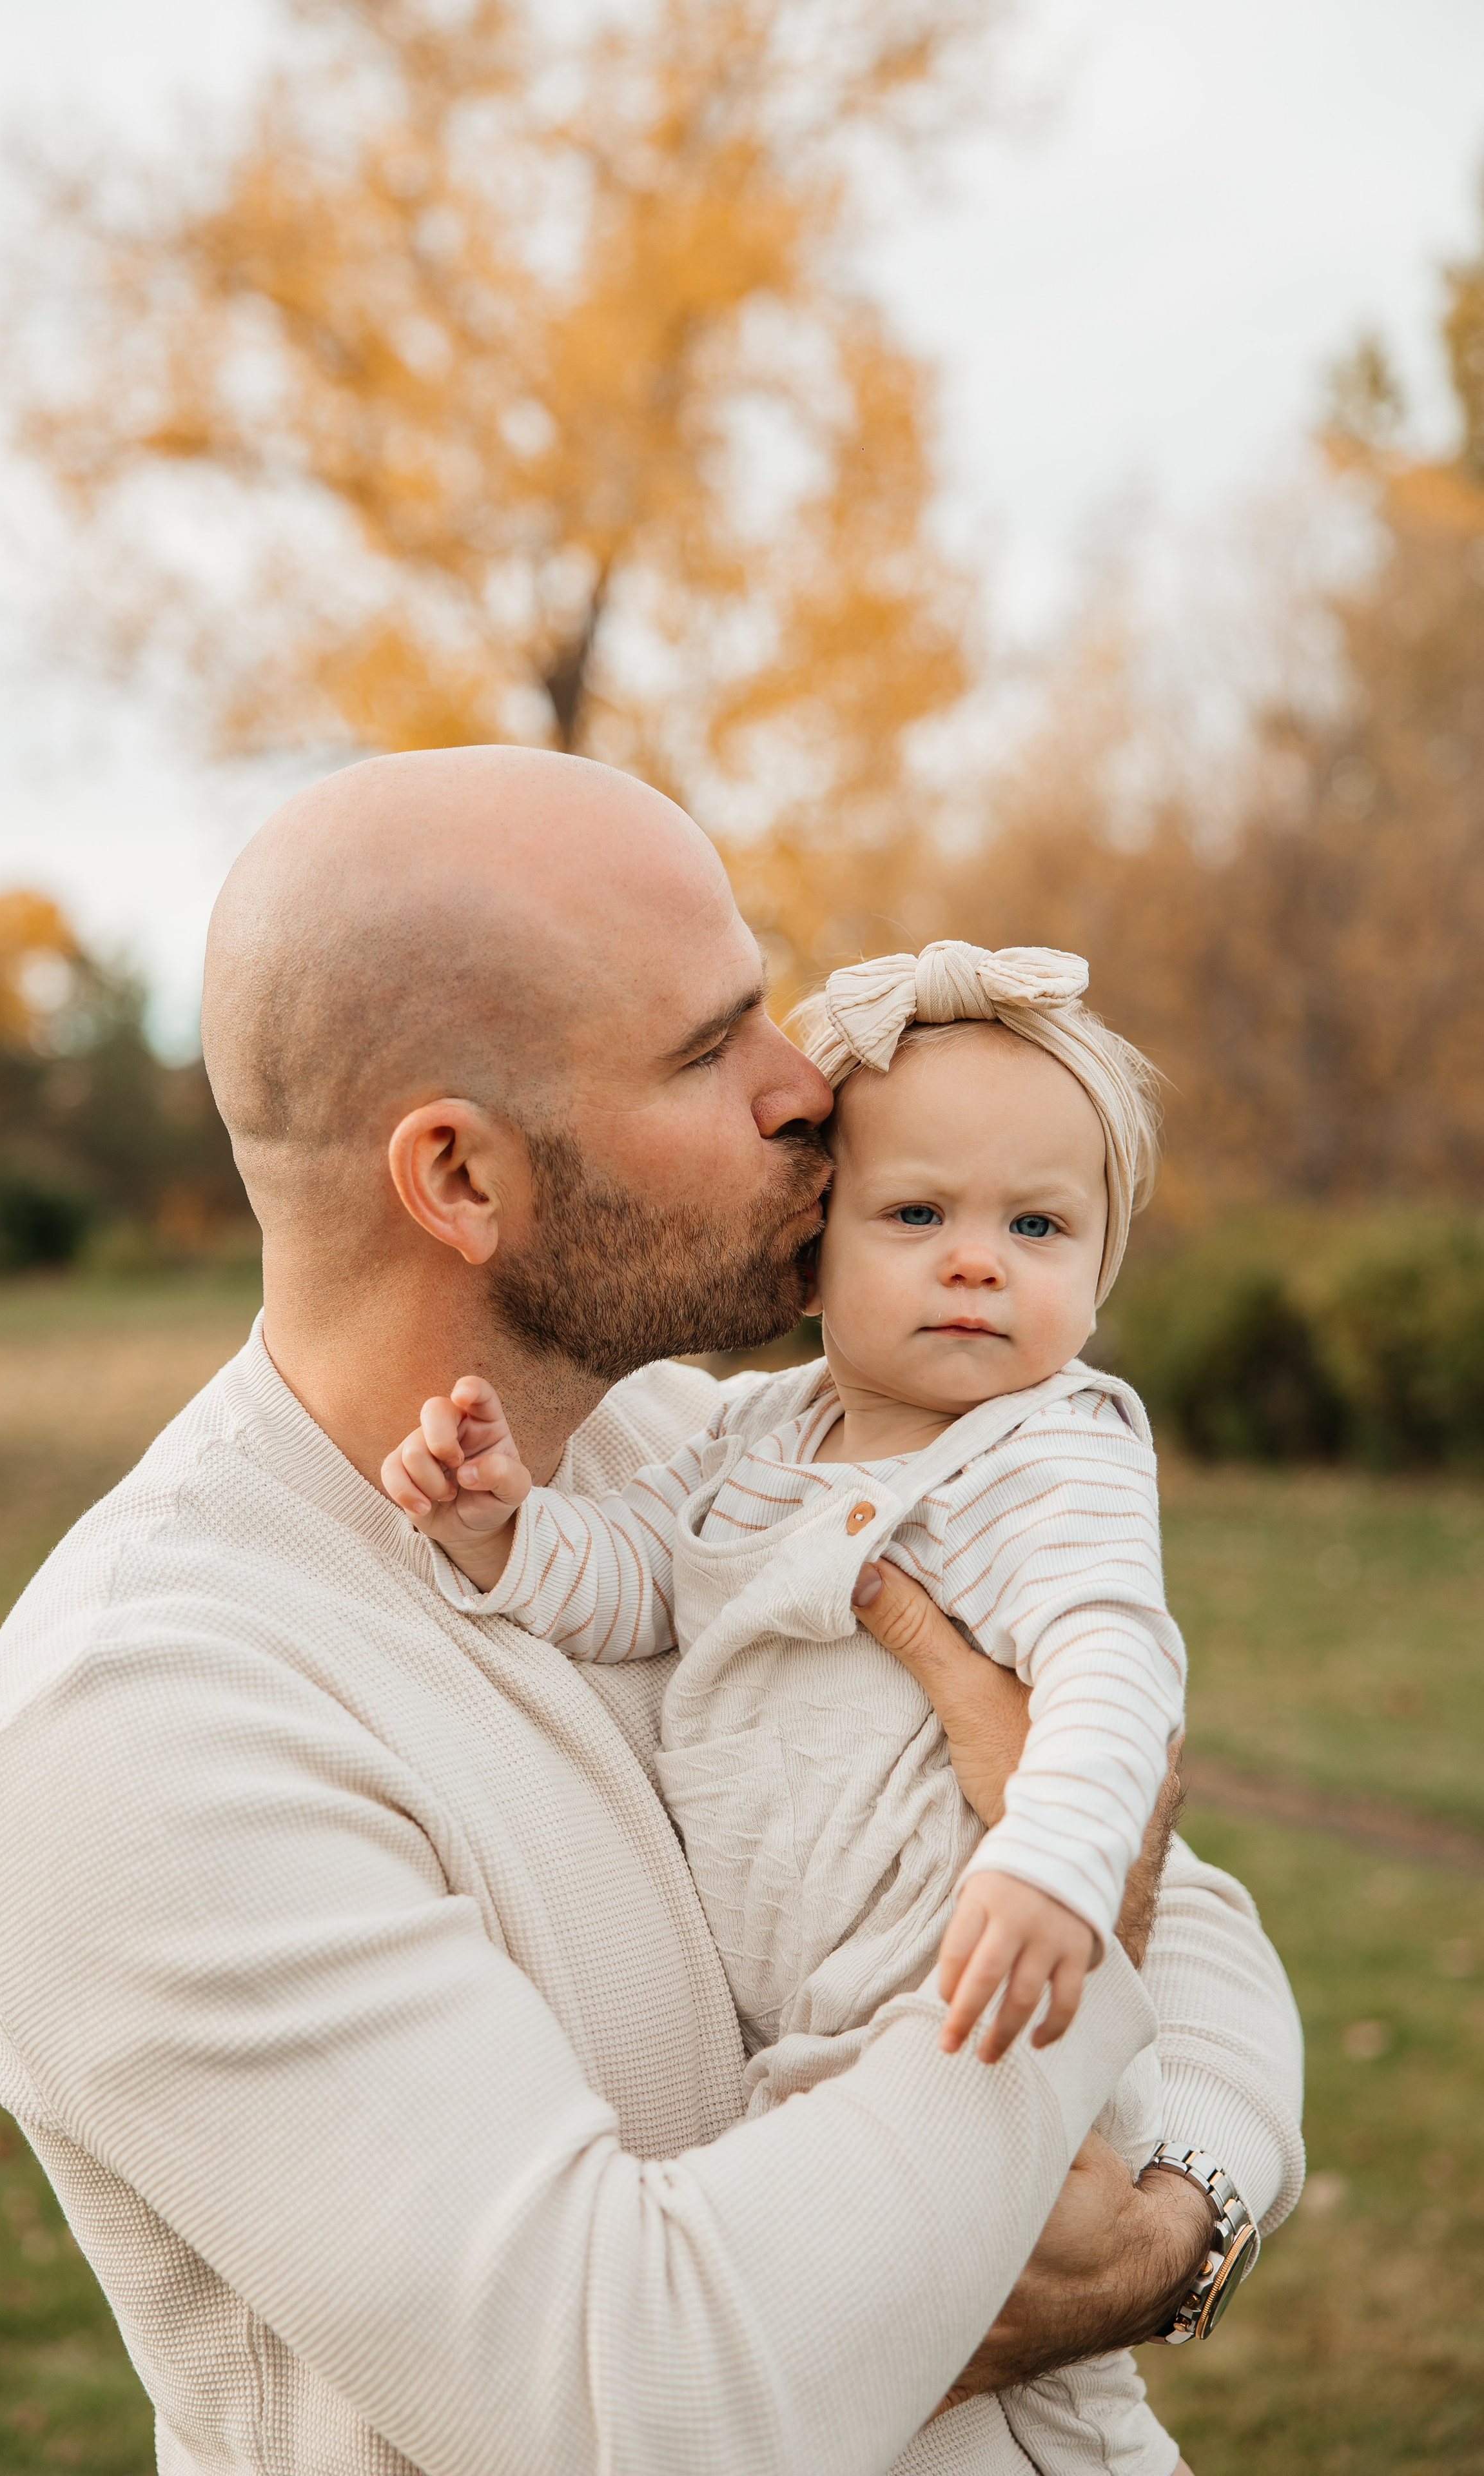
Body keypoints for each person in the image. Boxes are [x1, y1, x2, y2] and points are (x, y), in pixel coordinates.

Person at [0, 747, 1304, 2476]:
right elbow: (642, 2405)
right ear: (460, 1180)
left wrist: (1175, 2238)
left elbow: (1201, 1935)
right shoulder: (147, 1720)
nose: (810, 1081)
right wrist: (1069, 1979)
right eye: (708, 1046)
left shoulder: (714, 1454)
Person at [382, 938, 1195, 2475]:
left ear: (1098, 1264)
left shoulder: (1051, 1448)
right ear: (811, 1250)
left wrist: (1049, 1866)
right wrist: (506, 1529)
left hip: (954, 1977)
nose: (976, 1261)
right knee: (845, 2383)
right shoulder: (754, 1431)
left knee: (1027, 2415)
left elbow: (1113, 1666)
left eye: (1037, 1225)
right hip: (799, 2025)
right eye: (916, 1216)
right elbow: (640, 1585)